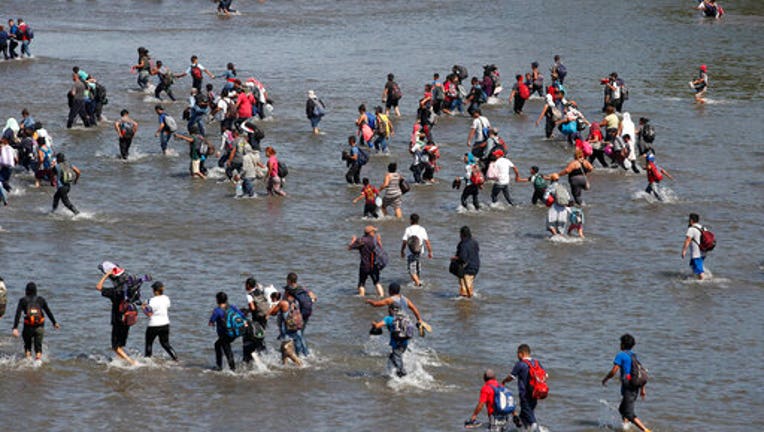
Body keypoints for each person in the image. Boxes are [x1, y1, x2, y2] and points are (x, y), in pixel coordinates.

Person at [368, 282, 423, 377]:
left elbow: (377, 304)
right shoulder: (405, 299)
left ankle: (402, 374)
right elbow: (414, 308)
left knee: (396, 355)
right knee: (396, 353)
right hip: (407, 329)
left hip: (396, 332)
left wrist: (369, 302)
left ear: (390, 291)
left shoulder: (390, 309)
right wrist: (419, 320)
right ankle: (392, 373)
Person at [96, 262, 145, 366]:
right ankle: (122, 362)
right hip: (127, 319)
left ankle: (132, 363)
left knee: (115, 347)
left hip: (117, 320)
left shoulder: (114, 292)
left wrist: (106, 275)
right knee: (120, 345)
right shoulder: (131, 290)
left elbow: (99, 287)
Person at [601, 334, 652, 432]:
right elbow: (641, 372)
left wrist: (605, 379)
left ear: (623, 345)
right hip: (633, 386)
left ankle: (646, 430)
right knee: (622, 409)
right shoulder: (633, 355)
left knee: (628, 413)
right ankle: (626, 427)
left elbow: (614, 370)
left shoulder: (621, 355)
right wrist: (642, 389)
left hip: (629, 387)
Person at [502, 344, 546, 432]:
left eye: (517, 353)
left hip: (525, 393)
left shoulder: (520, 364)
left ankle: (535, 427)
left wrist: (504, 381)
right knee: (525, 413)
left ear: (521, 353)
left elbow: (511, 377)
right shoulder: (537, 363)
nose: (517, 355)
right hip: (536, 392)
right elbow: (545, 376)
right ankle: (523, 428)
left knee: (528, 412)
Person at [12, 282, 60, 360]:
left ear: (26, 290)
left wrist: (15, 327)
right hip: (39, 327)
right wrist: (54, 322)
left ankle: (28, 362)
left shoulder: (23, 300)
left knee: (27, 346)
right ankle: (37, 362)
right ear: (36, 290)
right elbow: (48, 311)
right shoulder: (41, 300)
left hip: (28, 327)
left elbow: (18, 314)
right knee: (38, 348)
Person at [208, 291, 247, 371]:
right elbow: (242, 315)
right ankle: (220, 366)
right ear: (226, 299)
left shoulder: (217, 310)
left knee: (227, 351)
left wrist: (213, 322)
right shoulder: (232, 307)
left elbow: (211, 322)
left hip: (225, 334)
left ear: (217, 300)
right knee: (217, 345)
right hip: (235, 332)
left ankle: (231, 370)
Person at [142, 281, 178, 361]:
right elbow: (167, 306)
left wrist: (143, 308)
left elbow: (149, 314)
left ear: (155, 291)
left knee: (149, 344)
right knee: (165, 344)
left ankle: (148, 361)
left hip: (153, 325)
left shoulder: (150, 301)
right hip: (165, 324)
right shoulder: (166, 298)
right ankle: (175, 359)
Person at [283, 273, 316, 357]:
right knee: (300, 334)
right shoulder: (302, 288)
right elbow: (314, 297)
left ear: (289, 281)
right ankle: (305, 353)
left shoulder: (289, 290)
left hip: (297, 316)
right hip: (306, 314)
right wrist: (310, 302)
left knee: (298, 335)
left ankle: (301, 354)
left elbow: (285, 302)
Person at [267, 289, 303, 366]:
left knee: (286, 350)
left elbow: (273, 313)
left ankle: (300, 364)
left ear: (287, 293)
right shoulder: (295, 302)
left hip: (286, 330)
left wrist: (271, 306)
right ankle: (285, 366)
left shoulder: (283, 303)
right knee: (283, 351)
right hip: (294, 328)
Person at [348, 225, 385, 297]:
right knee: (377, 282)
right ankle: (381, 296)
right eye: (374, 231)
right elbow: (380, 249)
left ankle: (361, 296)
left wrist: (353, 240)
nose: (375, 233)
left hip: (364, 265)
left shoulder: (361, 240)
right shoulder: (375, 240)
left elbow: (350, 247)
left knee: (361, 283)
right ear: (370, 232)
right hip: (374, 265)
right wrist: (379, 240)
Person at [400, 213, 433, 287]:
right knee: (417, 269)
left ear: (411, 220)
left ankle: (418, 284)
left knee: (411, 271)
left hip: (411, 253)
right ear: (418, 220)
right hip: (419, 252)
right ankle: (416, 283)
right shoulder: (422, 229)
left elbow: (404, 241)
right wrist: (430, 252)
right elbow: (427, 242)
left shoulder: (408, 229)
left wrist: (402, 251)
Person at [451, 226, 480, 298]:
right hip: (476, 266)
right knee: (469, 286)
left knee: (463, 289)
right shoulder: (474, 242)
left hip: (467, 269)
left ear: (462, 234)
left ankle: (464, 306)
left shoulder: (463, 244)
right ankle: (470, 301)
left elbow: (463, 258)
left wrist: (454, 258)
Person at [681, 213, 709, 280]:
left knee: (699, 270)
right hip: (704, 251)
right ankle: (697, 277)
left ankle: (703, 281)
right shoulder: (703, 228)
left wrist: (684, 251)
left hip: (696, 253)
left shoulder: (691, 229)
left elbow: (688, 240)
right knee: (693, 265)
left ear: (691, 220)